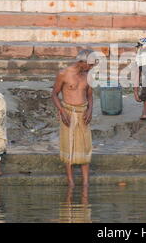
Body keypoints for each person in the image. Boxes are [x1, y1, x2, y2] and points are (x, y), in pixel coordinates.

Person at [52, 49, 95, 187]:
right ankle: (71, 182)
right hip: (68, 113)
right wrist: (62, 111)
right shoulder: (64, 74)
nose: (91, 67)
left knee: (85, 147)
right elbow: (54, 94)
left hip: (83, 114)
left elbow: (89, 95)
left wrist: (90, 110)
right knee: (68, 146)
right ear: (81, 62)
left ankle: (86, 182)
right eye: (90, 64)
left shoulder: (88, 75)